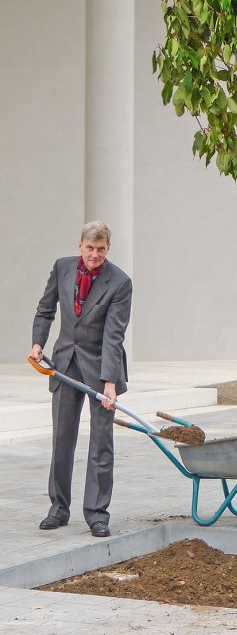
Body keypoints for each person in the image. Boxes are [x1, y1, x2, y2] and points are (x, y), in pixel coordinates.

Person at [30, 221, 132, 538]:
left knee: (101, 444)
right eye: (90, 248)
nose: (95, 255)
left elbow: (113, 337)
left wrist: (110, 383)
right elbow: (46, 309)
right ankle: (58, 508)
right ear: (80, 246)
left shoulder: (119, 282)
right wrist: (38, 344)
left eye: (101, 249)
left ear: (108, 249)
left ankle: (97, 514)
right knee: (62, 439)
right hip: (64, 364)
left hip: (102, 367)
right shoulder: (62, 268)